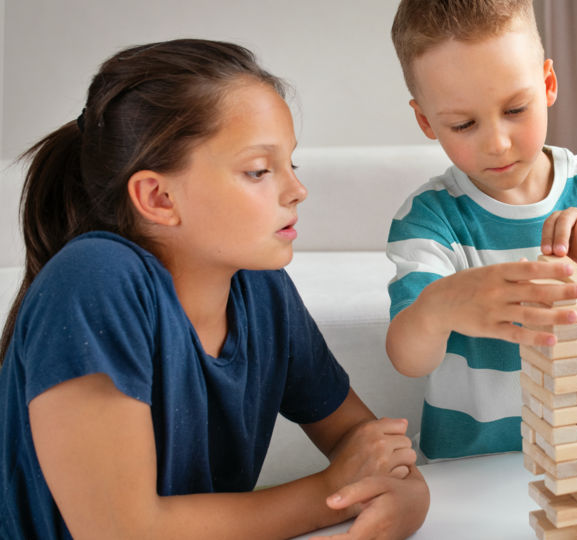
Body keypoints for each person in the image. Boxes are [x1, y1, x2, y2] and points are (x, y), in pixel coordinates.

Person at [0, 39, 428, 539]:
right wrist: (330, 493)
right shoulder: (94, 280)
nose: (297, 190)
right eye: (258, 171)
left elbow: (364, 441)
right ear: (158, 197)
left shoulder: (262, 289)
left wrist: (405, 489)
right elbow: (123, 532)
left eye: (293, 164)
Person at [386, 0, 577, 460]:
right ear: (427, 121)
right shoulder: (430, 218)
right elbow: (409, 359)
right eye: (464, 124)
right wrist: (438, 308)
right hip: (469, 464)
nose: (497, 142)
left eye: (515, 109)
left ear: (547, 84)